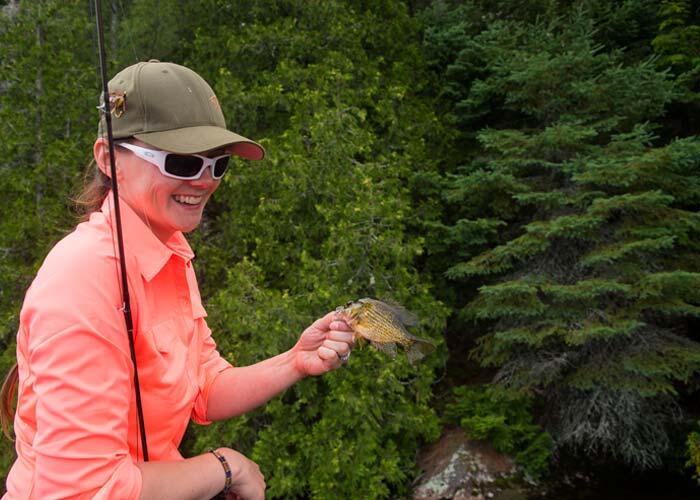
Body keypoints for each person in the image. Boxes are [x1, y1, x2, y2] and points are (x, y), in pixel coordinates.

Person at [0, 60, 354, 500]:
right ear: (109, 159)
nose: (205, 181)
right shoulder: (82, 279)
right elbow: (84, 489)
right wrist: (224, 467)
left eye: (218, 164)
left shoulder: (169, 253)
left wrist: (295, 360)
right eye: (182, 162)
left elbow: (203, 387)